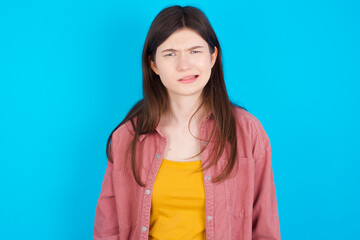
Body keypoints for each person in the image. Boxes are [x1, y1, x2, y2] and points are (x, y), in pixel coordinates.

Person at [93, 5, 280, 240]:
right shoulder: (127, 137)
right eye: (170, 53)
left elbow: (265, 230)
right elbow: (107, 231)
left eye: (195, 51)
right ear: (153, 64)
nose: (184, 65)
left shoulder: (248, 132)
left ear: (213, 56)